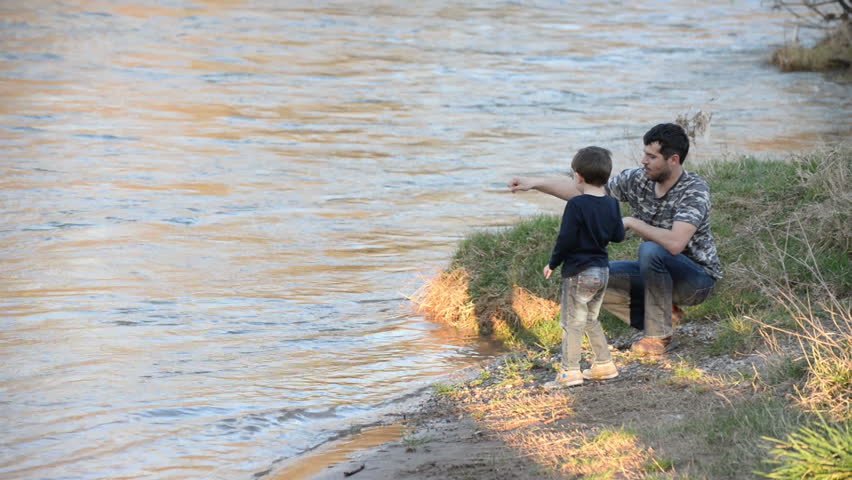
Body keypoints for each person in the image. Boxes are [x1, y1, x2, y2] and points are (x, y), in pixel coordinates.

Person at [510, 123, 722, 356]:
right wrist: (536, 184)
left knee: (651, 251)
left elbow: (675, 243)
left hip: (697, 280)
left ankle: (658, 337)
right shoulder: (638, 180)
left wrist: (632, 222)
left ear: (673, 160)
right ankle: (663, 317)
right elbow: (586, 191)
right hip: (655, 275)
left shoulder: (694, 190)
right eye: (644, 154)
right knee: (593, 275)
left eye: (651, 157)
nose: (643, 161)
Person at [543, 146, 625, 388]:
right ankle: (604, 364)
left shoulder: (576, 205)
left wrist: (553, 262)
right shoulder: (612, 204)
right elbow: (619, 235)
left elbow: (565, 239)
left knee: (572, 323)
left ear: (577, 175)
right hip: (602, 270)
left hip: (578, 272)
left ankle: (570, 372)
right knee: (590, 318)